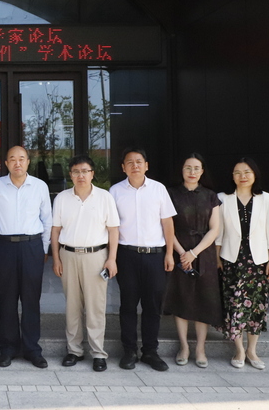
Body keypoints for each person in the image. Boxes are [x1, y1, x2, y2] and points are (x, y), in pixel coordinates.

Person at [109, 148, 176, 372]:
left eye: (139, 161)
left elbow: (167, 223)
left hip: (155, 256)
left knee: (152, 306)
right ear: (123, 167)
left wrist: (169, 253)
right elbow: (112, 227)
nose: (135, 165)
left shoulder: (158, 189)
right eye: (130, 162)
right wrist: (112, 257)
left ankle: (150, 351)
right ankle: (129, 351)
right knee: (128, 305)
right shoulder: (115, 191)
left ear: (146, 165)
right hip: (126, 255)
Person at [0, 146, 52, 369]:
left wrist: (44, 249)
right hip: (5, 246)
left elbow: (47, 219)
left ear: (28, 162)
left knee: (31, 299)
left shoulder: (40, 186)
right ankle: (8, 348)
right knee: (7, 299)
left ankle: (32, 349)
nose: (17, 163)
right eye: (12, 159)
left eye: (21, 159)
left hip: (32, 246)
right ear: (6, 163)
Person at [51, 154, 119, 372]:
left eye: (85, 171)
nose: (81, 175)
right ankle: (74, 351)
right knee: (72, 305)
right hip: (68, 255)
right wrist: (56, 258)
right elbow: (55, 230)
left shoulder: (104, 197)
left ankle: (98, 353)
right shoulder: (62, 198)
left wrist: (111, 258)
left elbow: (113, 230)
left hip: (96, 256)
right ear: (70, 174)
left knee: (95, 306)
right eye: (76, 172)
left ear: (92, 174)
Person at [216, 158, 269, 370]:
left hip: (258, 260)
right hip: (231, 259)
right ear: (232, 176)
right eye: (237, 172)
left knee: (256, 306)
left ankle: (252, 350)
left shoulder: (267, 199)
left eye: (247, 172)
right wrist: (217, 257)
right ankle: (239, 350)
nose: (242, 176)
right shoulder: (222, 198)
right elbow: (218, 232)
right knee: (233, 304)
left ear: (255, 174)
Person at [162, 153, 222, 368]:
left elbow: (214, 229)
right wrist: (181, 253)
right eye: (188, 167)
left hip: (204, 253)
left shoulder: (211, 196)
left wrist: (194, 253)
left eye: (196, 168)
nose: (192, 172)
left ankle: (200, 349)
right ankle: (184, 346)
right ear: (182, 170)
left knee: (203, 299)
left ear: (202, 171)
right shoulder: (171, 194)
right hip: (178, 249)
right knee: (181, 297)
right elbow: (167, 226)